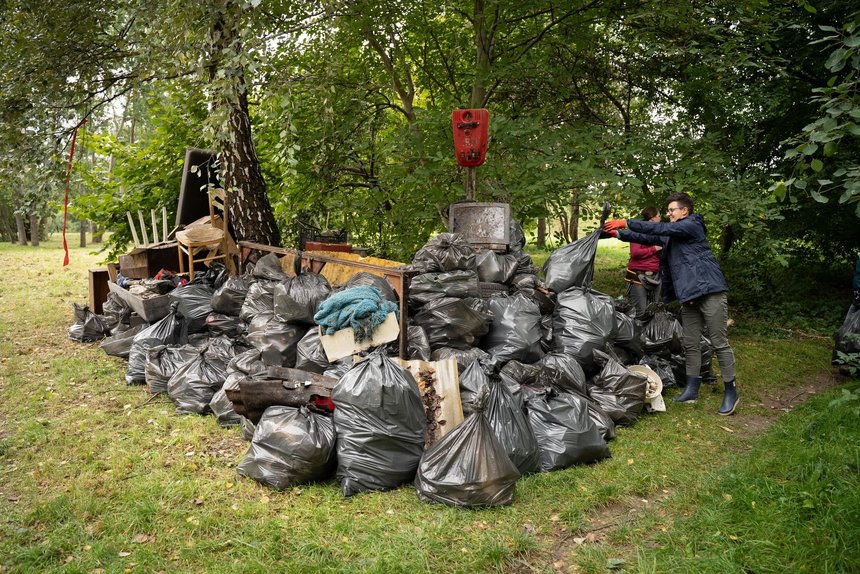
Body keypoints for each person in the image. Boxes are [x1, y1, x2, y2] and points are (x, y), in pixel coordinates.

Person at [603, 192, 739, 415]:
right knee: (690, 343)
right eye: (667, 211)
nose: (668, 214)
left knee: (718, 341)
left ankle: (731, 391)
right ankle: (692, 388)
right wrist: (618, 233)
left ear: (685, 211)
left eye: (671, 210)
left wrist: (626, 222)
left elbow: (660, 229)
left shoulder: (692, 225)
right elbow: (648, 237)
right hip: (689, 294)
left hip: (710, 291)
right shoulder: (672, 233)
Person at [623, 207, 664, 319]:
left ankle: (650, 336)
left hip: (656, 278)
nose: (661, 218)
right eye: (659, 216)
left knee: (652, 312)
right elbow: (635, 253)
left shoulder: (660, 233)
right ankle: (638, 336)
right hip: (637, 277)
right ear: (652, 218)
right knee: (641, 313)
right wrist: (654, 249)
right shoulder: (637, 232)